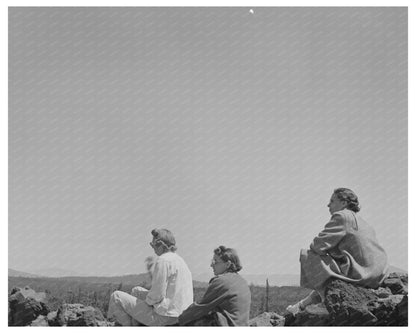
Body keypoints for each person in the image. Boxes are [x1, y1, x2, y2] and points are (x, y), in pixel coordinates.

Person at [286, 188, 389, 314]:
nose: (328, 204)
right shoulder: (362, 221)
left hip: (363, 274)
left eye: (332, 201)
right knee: (330, 276)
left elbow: (317, 245)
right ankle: (300, 306)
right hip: (378, 274)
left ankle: (327, 304)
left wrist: (331, 253)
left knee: (309, 255)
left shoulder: (342, 216)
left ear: (344, 203)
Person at [107, 228, 193, 326]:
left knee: (116, 296)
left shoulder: (163, 260)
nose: (153, 248)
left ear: (160, 244)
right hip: (180, 315)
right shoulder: (181, 261)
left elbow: (157, 295)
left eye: (153, 245)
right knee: (136, 291)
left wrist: (148, 303)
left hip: (165, 318)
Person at [178, 246, 251, 326]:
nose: (211, 265)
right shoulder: (241, 281)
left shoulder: (222, 281)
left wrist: (179, 319)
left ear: (227, 264)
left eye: (215, 261)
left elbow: (200, 308)